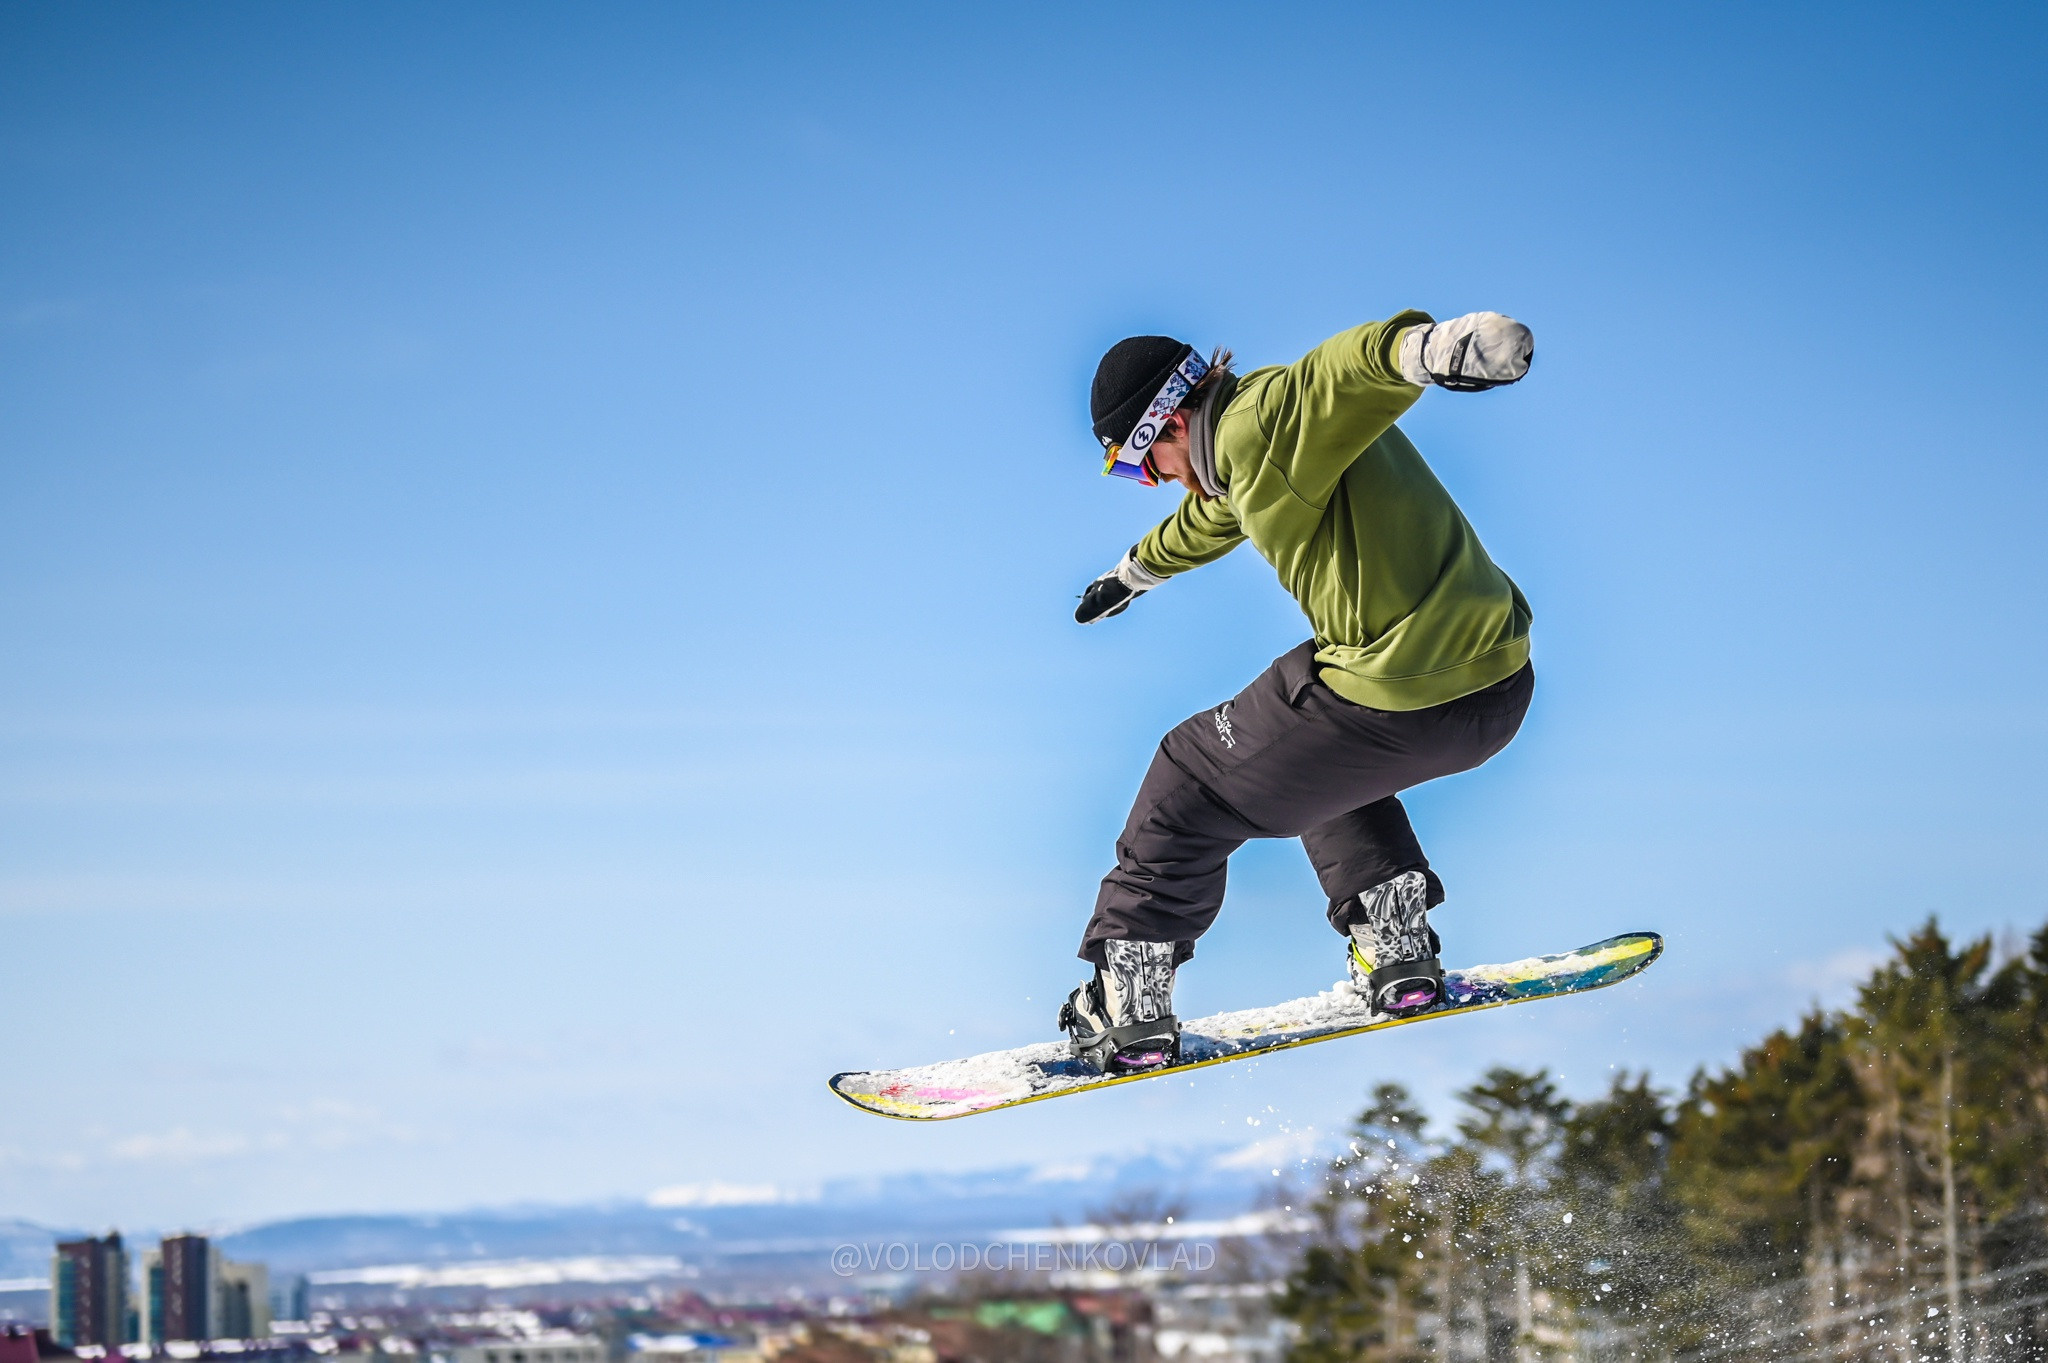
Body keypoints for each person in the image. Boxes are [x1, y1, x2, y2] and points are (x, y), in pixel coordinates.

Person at [1057, 310, 1538, 1075]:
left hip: (1397, 692)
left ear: (1172, 419)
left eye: (1143, 464)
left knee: (1186, 772)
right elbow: (1216, 515)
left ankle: (1131, 999)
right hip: (1496, 690)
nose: (1154, 483)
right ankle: (1394, 940)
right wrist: (1133, 573)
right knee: (1304, 729)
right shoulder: (1253, 458)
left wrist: (1427, 350)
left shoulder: (1263, 416)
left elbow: (1339, 373)